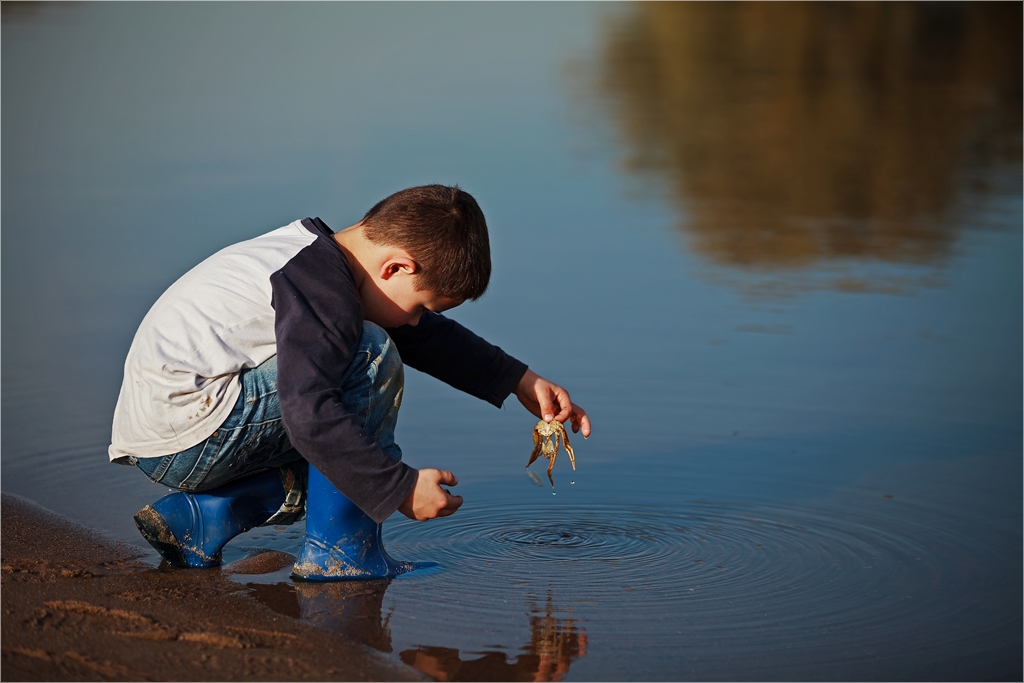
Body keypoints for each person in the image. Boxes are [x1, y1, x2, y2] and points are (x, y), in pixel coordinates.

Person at [108, 184, 591, 580]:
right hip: (189, 430)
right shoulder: (320, 288)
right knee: (368, 354)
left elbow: (421, 338)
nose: (418, 321)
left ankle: (202, 520)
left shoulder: (319, 262)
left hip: (175, 429)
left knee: (344, 453)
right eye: (423, 306)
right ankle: (342, 554)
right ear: (397, 266)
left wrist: (516, 379)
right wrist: (398, 487)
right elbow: (309, 415)